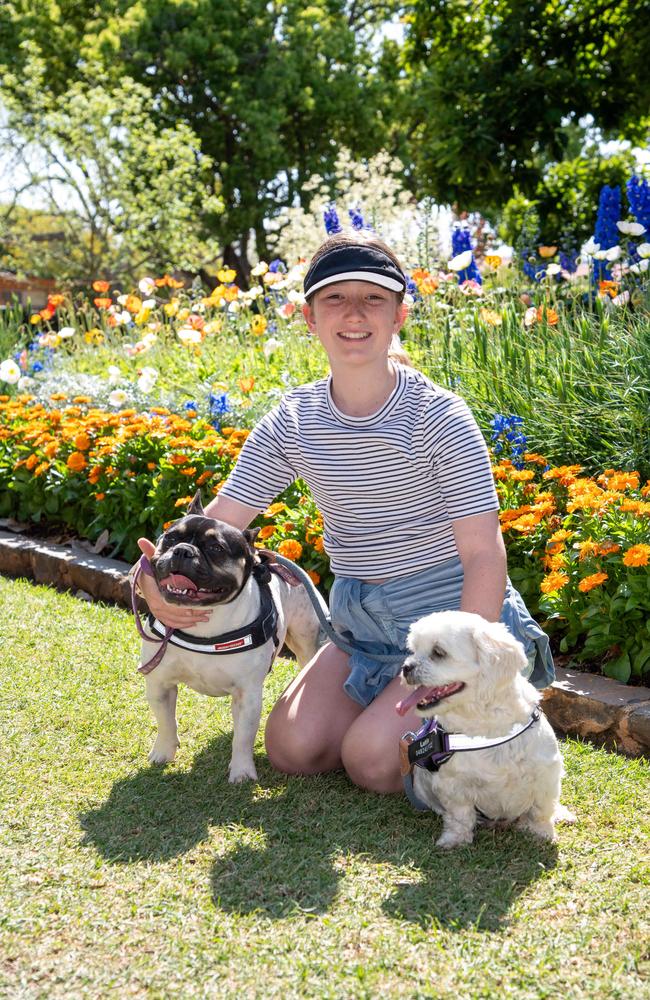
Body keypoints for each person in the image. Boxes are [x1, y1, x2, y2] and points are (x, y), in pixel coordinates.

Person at [136, 233, 554, 795]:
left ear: (400, 314)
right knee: (291, 749)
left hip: (443, 618)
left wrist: (464, 667)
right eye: (335, 299)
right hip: (358, 622)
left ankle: (480, 726)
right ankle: (385, 712)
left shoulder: (439, 416)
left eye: (373, 299)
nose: (354, 313)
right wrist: (151, 584)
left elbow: (484, 553)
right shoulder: (294, 418)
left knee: (372, 763)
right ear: (309, 317)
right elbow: (222, 520)